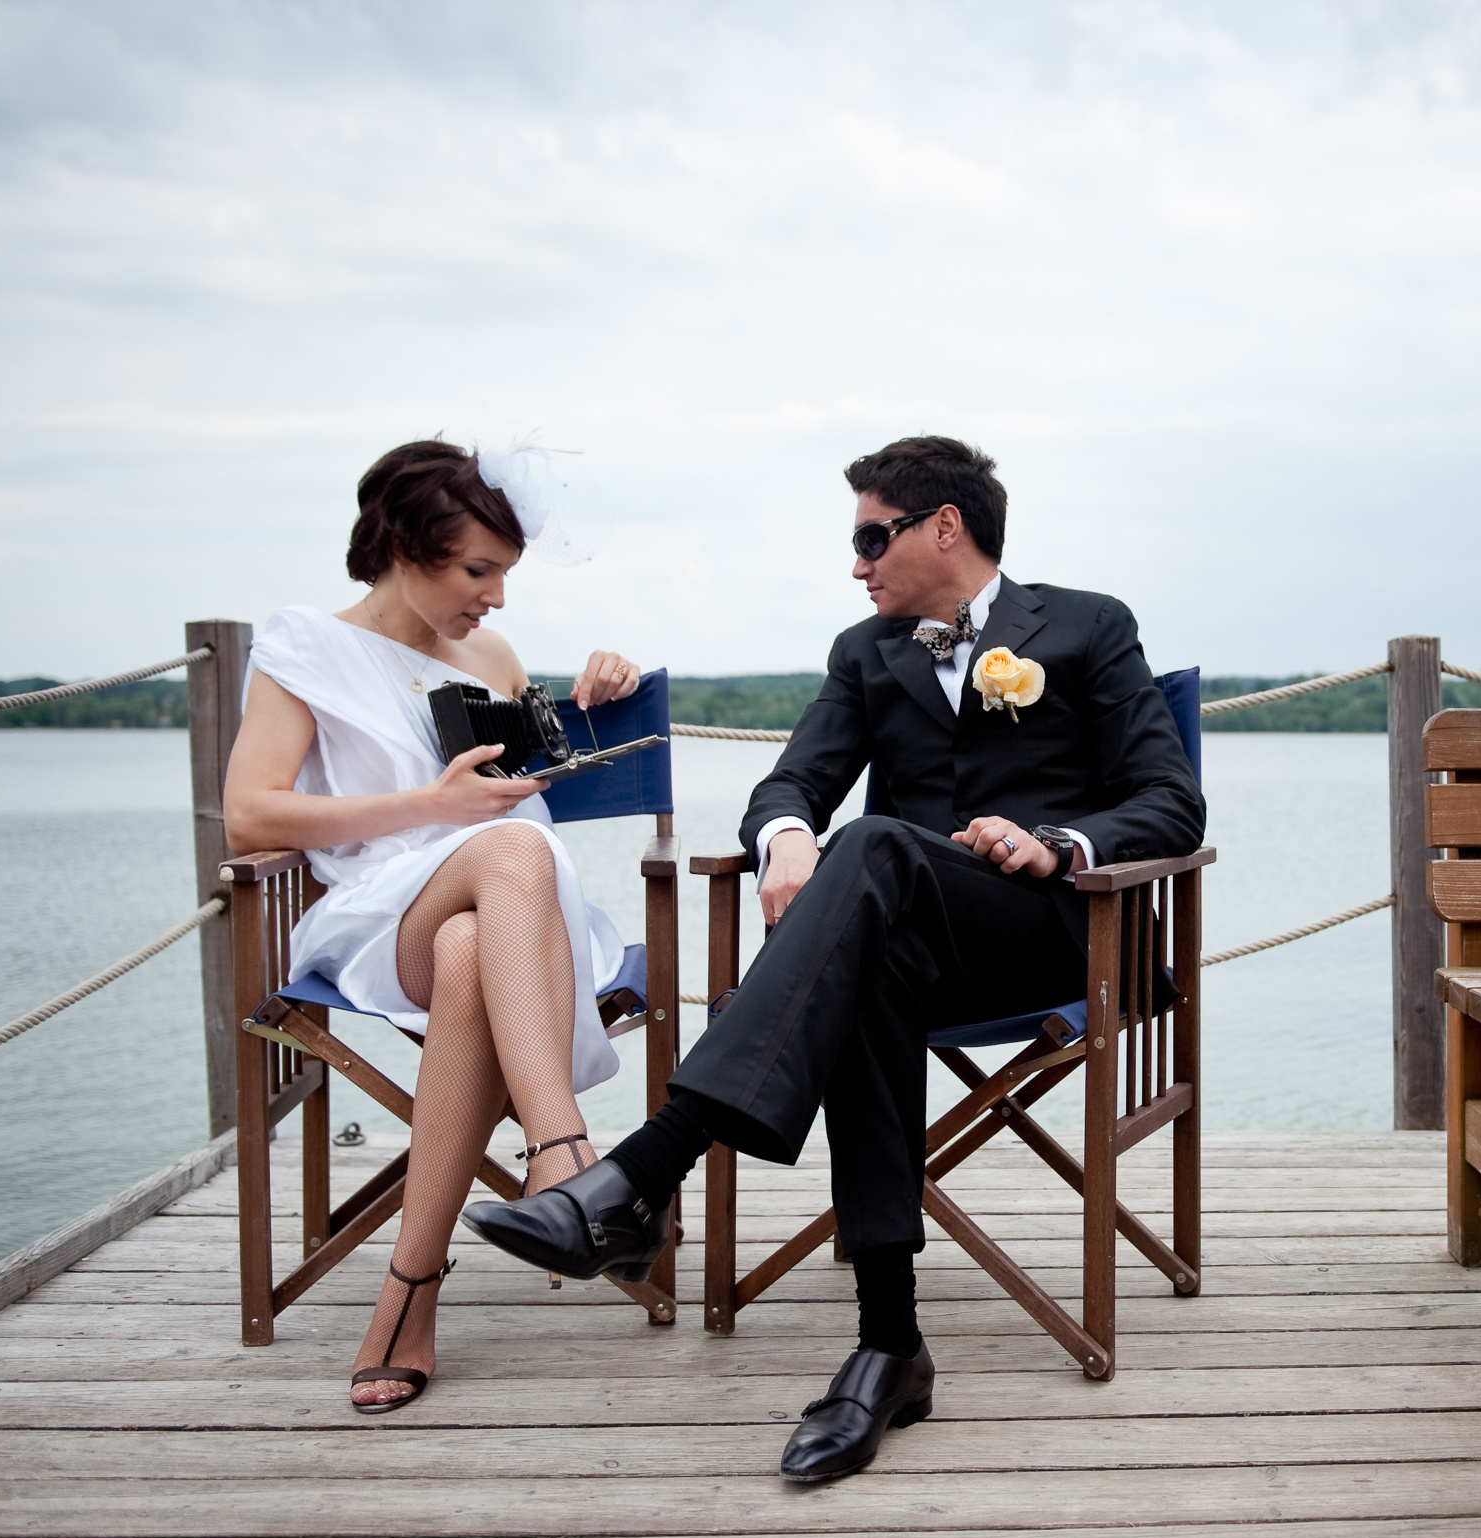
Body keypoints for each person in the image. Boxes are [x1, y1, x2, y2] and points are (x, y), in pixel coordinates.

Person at [467, 435, 1204, 1480]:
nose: (856, 564)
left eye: (872, 537)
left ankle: (643, 1173)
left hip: (1061, 933)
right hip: (908, 933)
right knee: (867, 932)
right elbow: (787, 787)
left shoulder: (1090, 625)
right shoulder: (866, 653)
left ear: (945, 525)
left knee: (872, 854)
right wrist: (786, 837)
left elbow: (1172, 801)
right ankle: (890, 1341)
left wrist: (1060, 844)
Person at [222, 438, 644, 1416]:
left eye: (504, 572)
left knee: (479, 937)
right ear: (401, 548)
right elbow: (251, 816)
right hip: (382, 913)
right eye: (477, 570)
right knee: (507, 855)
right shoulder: (302, 647)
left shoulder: (491, 656)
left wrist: (602, 693)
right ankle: (566, 1154)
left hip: (515, 921)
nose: (494, 597)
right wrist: (429, 807)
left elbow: (537, 781)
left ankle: (409, 1292)